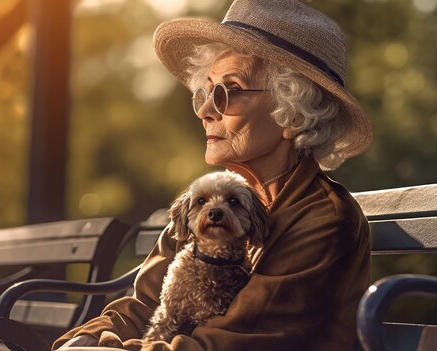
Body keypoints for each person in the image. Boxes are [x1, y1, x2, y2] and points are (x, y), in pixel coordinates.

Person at [55, 0, 373, 350]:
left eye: (230, 91)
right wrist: (87, 337)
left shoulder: (323, 221)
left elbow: (226, 344)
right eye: (206, 92)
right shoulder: (211, 201)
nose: (206, 110)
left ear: (292, 115)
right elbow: (146, 305)